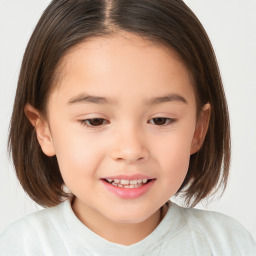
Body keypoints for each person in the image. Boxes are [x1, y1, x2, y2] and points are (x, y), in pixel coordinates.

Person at [0, 0, 255, 255]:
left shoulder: (228, 245)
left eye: (160, 120)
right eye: (95, 121)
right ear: (44, 130)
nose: (131, 150)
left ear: (198, 128)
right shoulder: (20, 247)